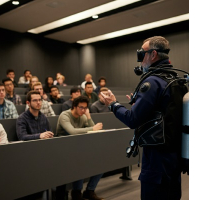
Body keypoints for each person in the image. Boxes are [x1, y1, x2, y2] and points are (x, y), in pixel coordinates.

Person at [101, 36, 184, 200]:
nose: (140, 60)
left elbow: (133, 119)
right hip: (173, 159)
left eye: (141, 54)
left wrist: (113, 105)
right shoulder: (175, 80)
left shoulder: (152, 82)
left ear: (153, 54)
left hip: (156, 161)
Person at [56, 96, 103, 200]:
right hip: (63, 150)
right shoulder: (64, 115)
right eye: (81, 107)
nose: (83, 110)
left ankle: (90, 191)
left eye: (85, 108)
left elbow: (94, 132)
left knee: (101, 163)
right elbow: (72, 131)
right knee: (80, 162)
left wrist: (89, 117)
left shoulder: (83, 116)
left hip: (78, 148)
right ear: (74, 106)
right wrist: (92, 128)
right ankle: (76, 192)